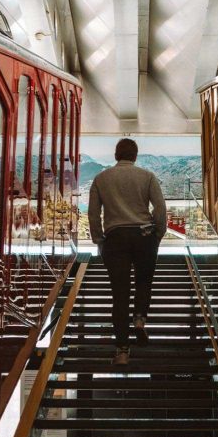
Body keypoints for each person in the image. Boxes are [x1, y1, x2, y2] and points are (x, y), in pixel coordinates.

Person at [88, 138, 167, 365]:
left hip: (115, 238)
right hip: (144, 236)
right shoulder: (147, 176)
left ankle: (122, 351)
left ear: (116, 155)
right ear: (134, 155)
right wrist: (157, 234)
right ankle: (140, 319)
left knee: (119, 294)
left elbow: (93, 214)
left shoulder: (101, 179)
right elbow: (160, 209)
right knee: (143, 281)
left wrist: (99, 241)